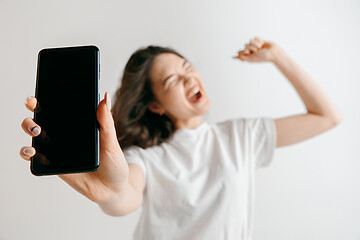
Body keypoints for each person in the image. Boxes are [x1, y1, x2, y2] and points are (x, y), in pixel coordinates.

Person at [20, 37, 343, 240]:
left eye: (188, 67)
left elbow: (327, 117)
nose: (189, 77)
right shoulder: (146, 158)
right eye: (174, 79)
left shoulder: (242, 136)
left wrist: (279, 57)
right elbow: (125, 194)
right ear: (156, 105)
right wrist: (111, 193)